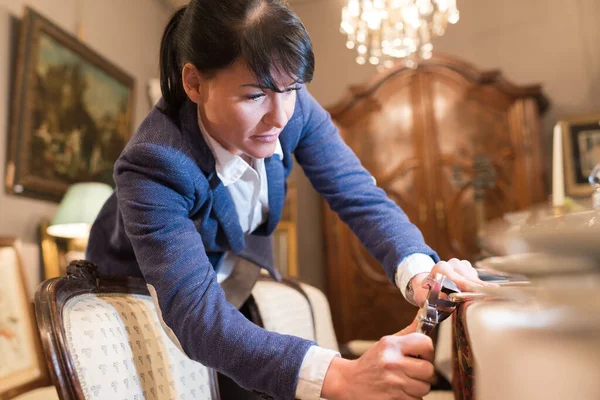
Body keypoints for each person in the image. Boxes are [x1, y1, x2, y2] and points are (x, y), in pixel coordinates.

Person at [86, 1, 491, 399]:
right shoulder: (154, 164)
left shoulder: (292, 108)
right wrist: (340, 375)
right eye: (253, 96)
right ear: (194, 84)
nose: (279, 117)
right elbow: (194, 315)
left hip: (226, 278)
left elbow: (358, 194)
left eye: (292, 88)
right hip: (140, 285)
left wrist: (420, 272)